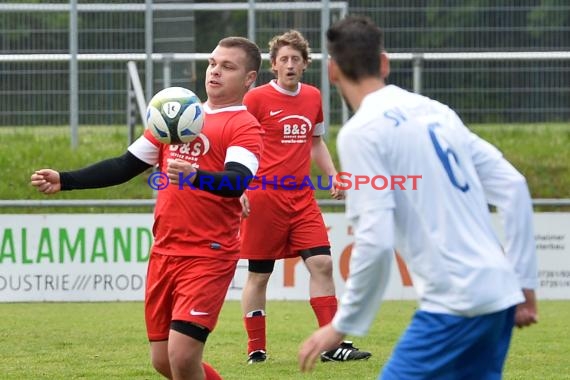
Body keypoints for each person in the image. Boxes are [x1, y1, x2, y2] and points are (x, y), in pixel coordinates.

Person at [298, 15, 539, 379]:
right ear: (384, 62)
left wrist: (339, 326)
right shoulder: (437, 111)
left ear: (332, 71)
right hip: (498, 292)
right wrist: (524, 281)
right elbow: (515, 187)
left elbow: (375, 242)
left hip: (456, 302)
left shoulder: (361, 132)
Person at [30, 36, 264, 380]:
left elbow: (236, 181)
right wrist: (65, 179)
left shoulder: (243, 125)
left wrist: (195, 175)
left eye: (227, 67)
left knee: (183, 357)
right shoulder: (178, 116)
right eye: (213, 63)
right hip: (164, 251)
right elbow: (125, 165)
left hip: (208, 254)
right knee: (163, 361)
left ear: (248, 79)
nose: (215, 71)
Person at [239, 30, 371, 364]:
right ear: (273, 65)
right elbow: (237, 142)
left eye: (295, 59)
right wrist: (238, 186)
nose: (289, 64)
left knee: (323, 263)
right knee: (259, 274)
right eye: (283, 59)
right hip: (263, 197)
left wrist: (333, 175)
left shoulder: (312, 97)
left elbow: (315, 141)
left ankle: (332, 345)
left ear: (305, 64)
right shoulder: (255, 99)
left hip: (301, 199)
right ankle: (256, 347)